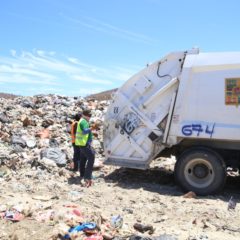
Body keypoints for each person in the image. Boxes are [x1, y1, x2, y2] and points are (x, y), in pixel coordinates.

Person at [75, 109, 95, 187]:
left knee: (83, 159)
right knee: (91, 157)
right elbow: (84, 131)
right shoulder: (83, 121)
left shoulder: (82, 121)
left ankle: (82, 174)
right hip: (84, 144)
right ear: (84, 115)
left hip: (82, 143)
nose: (89, 117)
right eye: (89, 115)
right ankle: (87, 177)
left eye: (90, 116)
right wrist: (91, 128)